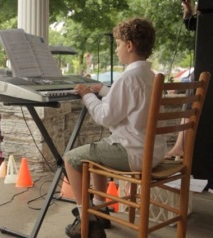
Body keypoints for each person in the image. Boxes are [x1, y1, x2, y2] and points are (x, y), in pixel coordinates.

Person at [62, 18, 162, 238]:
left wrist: (87, 94)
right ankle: (100, 211)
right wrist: (105, 90)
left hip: (133, 153)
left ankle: (86, 221)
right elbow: (134, 100)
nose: (116, 50)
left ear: (129, 45)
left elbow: (104, 117)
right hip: (154, 152)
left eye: (118, 44)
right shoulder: (150, 76)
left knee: (70, 158)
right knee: (98, 152)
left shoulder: (128, 77)